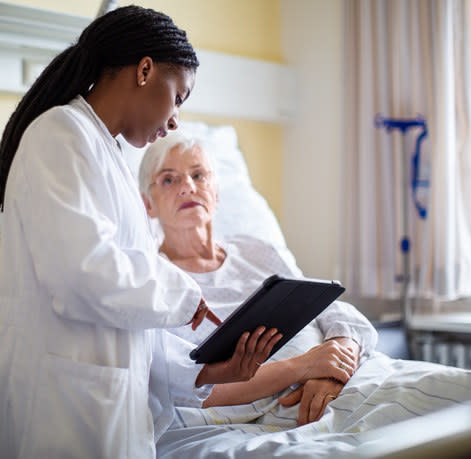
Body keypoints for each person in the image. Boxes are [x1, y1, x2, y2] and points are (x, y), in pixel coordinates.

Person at [0, 6, 282, 459]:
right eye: (179, 97)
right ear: (144, 71)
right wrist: (184, 291)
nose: (175, 119)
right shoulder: (60, 134)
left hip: (100, 404)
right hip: (60, 414)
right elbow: (83, 276)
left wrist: (212, 370)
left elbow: (131, 325)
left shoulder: (107, 154)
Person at [138, 132, 379, 426]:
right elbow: (181, 383)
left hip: (341, 378)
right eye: (169, 179)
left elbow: (334, 312)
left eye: (198, 175)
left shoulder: (258, 251)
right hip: (260, 405)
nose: (188, 187)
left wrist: (334, 368)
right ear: (147, 204)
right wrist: (304, 367)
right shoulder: (149, 280)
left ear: (216, 191)